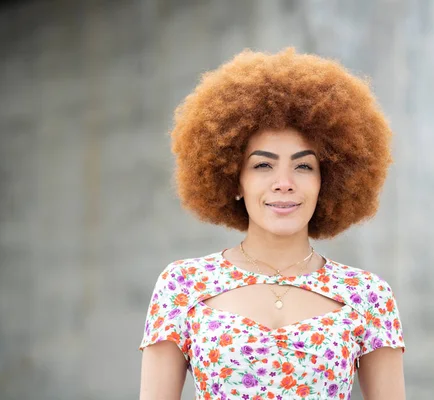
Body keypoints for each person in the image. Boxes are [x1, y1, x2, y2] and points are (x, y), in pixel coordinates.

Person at [139, 48, 406, 400]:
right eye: (263, 165)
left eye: (304, 166)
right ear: (234, 179)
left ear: (329, 181)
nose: (284, 182)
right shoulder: (183, 286)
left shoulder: (368, 295)